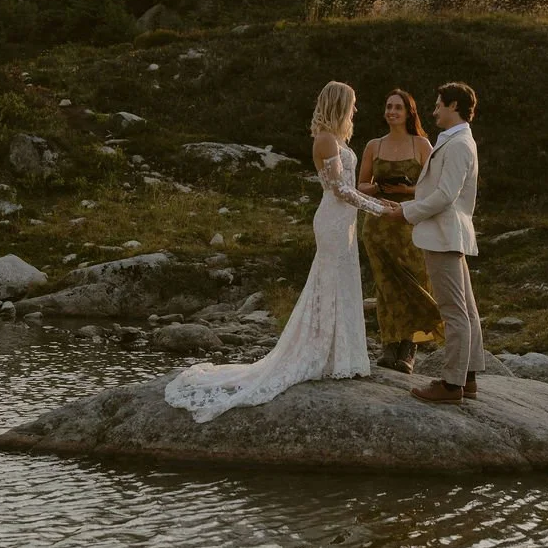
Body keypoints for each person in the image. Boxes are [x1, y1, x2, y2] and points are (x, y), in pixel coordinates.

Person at [164, 81, 386, 422]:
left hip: (346, 223)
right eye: (352, 105)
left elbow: (350, 184)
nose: (355, 111)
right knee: (328, 283)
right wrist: (378, 209)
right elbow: (339, 189)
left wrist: (376, 194)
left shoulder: (338, 140)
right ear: (339, 104)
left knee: (344, 282)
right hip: (332, 221)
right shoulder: (325, 139)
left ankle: (341, 356)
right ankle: (323, 355)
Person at [381, 81, 483, 404]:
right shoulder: (457, 141)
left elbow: (444, 196)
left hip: (443, 235)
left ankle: (452, 385)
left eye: (439, 104)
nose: (434, 110)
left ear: (454, 106)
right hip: (449, 233)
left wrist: (405, 212)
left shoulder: (458, 145)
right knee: (466, 308)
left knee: (454, 312)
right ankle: (468, 378)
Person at [358, 88, 443, 373]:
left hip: (410, 222)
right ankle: (388, 345)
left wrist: (407, 189)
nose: (392, 112)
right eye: (389, 106)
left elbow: (435, 186)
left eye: (398, 107)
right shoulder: (374, 145)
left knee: (413, 282)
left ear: (409, 113)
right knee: (385, 286)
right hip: (378, 223)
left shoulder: (422, 144)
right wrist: (380, 187)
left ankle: (410, 346)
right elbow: (360, 185)